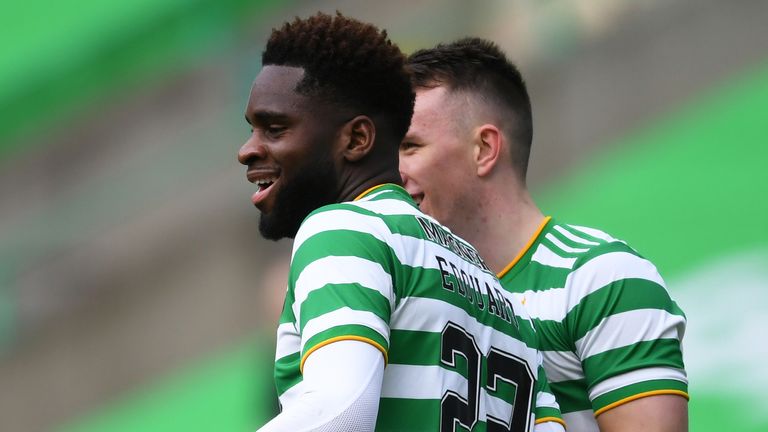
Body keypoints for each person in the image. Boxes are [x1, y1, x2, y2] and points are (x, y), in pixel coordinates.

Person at [238, 13, 566, 432]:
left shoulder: (343, 230)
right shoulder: (496, 289)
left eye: (275, 128)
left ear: (357, 140)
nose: (247, 150)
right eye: (253, 129)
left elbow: (342, 413)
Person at [399, 38, 688, 432]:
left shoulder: (601, 279)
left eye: (410, 146)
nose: (392, 172)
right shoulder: (410, 287)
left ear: (484, 148)